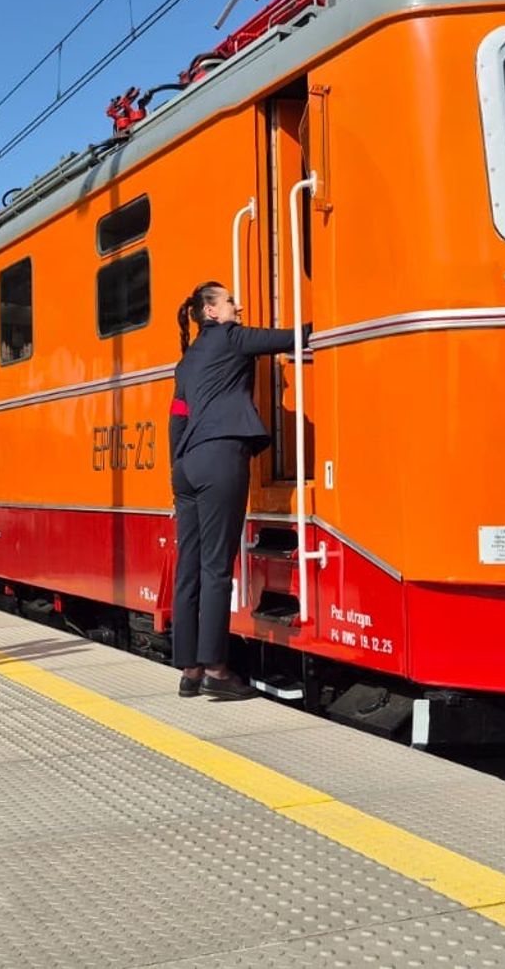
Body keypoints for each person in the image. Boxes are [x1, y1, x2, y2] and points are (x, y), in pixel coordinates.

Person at [169, 282, 304, 700]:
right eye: (229, 301)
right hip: (220, 458)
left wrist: (179, 469)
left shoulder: (187, 360)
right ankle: (216, 669)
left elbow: (176, 417)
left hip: (186, 467)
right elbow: (288, 338)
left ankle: (189, 670)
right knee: (215, 568)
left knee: (188, 568)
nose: (238, 306)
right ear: (211, 312)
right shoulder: (230, 337)